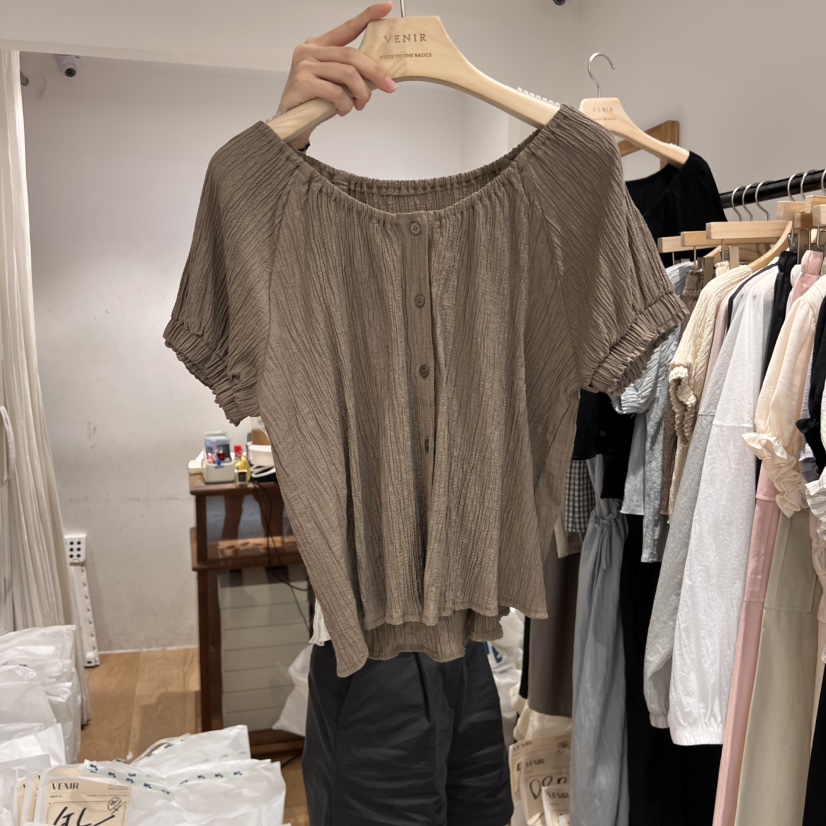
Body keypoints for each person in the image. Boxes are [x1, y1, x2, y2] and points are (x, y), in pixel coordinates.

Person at [276, 5, 512, 825]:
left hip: (468, 636)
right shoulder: (304, 255)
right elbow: (255, 283)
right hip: (367, 643)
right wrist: (286, 138)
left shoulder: (517, 233)